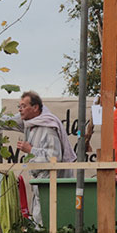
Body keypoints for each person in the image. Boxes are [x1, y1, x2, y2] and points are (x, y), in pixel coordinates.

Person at [14, 91, 79, 224]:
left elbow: (54, 158)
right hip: (42, 188)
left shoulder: (48, 128)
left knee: (49, 224)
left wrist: (30, 150)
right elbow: (8, 122)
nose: (20, 110)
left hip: (51, 190)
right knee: (40, 223)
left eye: (23, 106)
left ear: (35, 107)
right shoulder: (31, 126)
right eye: (19, 106)